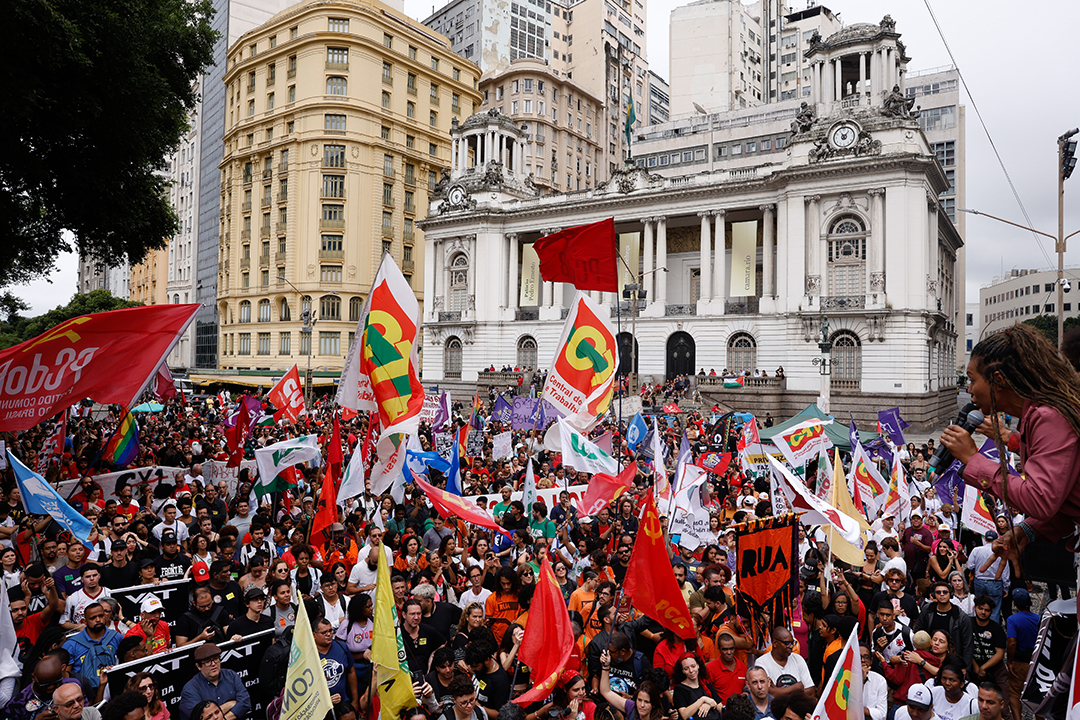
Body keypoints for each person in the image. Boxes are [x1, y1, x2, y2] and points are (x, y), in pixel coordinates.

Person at [939, 325, 1080, 584]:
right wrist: (1028, 529)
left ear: (998, 380)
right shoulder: (1037, 415)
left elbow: (1040, 499)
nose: (969, 390)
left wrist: (973, 460)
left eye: (972, 379)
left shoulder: (1048, 417)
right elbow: (1064, 497)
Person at [179, 643, 251, 720]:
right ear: (199, 666)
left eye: (216, 659)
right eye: (207, 662)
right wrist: (230, 704)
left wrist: (224, 718)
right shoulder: (190, 689)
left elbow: (245, 703)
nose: (213, 664)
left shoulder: (231, 675)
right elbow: (200, 717)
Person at [913, 581, 973, 667]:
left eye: (945, 592)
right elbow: (918, 631)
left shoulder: (961, 617)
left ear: (950, 594)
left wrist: (965, 669)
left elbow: (968, 645)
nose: (942, 594)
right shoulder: (927, 610)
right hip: (928, 657)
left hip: (953, 660)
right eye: (938, 592)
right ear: (933, 595)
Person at [62, 603, 122, 690]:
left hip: (113, 687)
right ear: (85, 622)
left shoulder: (116, 637)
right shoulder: (71, 644)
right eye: (93, 618)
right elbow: (66, 676)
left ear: (105, 617)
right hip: (84, 691)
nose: (98, 620)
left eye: (101, 616)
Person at [313, 617, 360, 718]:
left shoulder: (342, 647)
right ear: (314, 635)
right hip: (319, 708)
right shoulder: (308, 654)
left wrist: (355, 700)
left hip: (343, 704)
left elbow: (351, 672)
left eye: (331, 631)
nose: (329, 634)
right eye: (324, 632)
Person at [754, 626, 814, 700]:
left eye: (792, 643)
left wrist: (779, 692)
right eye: (787, 643)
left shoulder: (798, 659)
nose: (791, 646)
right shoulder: (762, 662)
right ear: (775, 643)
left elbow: (811, 692)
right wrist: (797, 687)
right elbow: (768, 693)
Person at [1005, 588, 1039, 720]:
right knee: (1036, 694)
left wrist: (1009, 661)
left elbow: (1012, 642)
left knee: (1014, 693)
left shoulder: (1012, 620)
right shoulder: (1039, 618)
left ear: (1014, 603)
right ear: (1031, 602)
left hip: (1019, 661)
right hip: (1036, 661)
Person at [968, 595, 1008, 704]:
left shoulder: (996, 629)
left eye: (987, 610)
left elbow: (1000, 654)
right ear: (975, 608)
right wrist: (976, 667)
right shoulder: (968, 624)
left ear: (991, 612)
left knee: (1002, 703)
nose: (983, 612)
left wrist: (983, 668)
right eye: (980, 608)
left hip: (995, 670)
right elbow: (966, 647)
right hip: (973, 669)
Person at [671, 653, 721, 720]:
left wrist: (708, 705)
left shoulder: (705, 683)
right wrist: (703, 700)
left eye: (693, 666)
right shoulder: (679, 689)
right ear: (682, 671)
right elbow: (684, 715)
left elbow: (720, 706)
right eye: (686, 669)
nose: (691, 671)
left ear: (698, 665)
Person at [703, 633, 747, 704]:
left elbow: (747, 687)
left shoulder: (742, 666)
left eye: (731, 648)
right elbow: (706, 692)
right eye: (725, 649)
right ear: (718, 649)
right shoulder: (711, 668)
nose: (729, 652)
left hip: (740, 709)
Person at [860, 643, 888, 720]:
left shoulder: (879, 680)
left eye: (866, 657)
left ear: (871, 661)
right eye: (859, 657)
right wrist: (860, 681)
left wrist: (859, 708)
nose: (862, 660)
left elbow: (882, 714)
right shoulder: (845, 677)